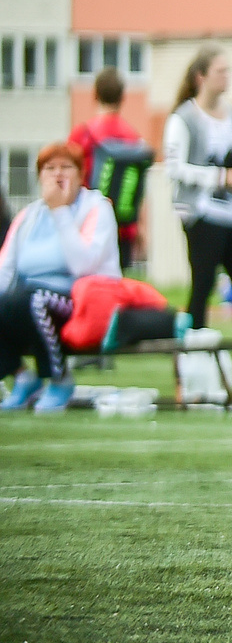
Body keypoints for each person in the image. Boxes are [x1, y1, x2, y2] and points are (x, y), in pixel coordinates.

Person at [0, 143, 117, 411]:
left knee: (33, 300)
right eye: (50, 169)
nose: (57, 175)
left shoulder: (97, 208)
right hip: (28, 299)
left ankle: (59, 378)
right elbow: (6, 269)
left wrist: (60, 211)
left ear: (80, 174)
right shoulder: (28, 216)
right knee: (20, 299)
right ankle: (21, 377)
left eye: (66, 167)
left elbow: (83, 265)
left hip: (82, 299)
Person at [165, 46, 232, 342]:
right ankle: (192, 352)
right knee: (203, 284)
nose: (226, 77)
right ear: (201, 77)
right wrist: (222, 177)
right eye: (220, 71)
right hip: (200, 213)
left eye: (228, 71)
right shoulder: (184, 118)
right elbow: (174, 168)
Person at [66, 67, 144, 269]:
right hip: (122, 225)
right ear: (122, 97)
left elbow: (69, 179)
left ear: (94, 94)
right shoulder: (132, 138)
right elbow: (138, 185)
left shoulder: (82, 135)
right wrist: (139, 227)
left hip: (87, 221)